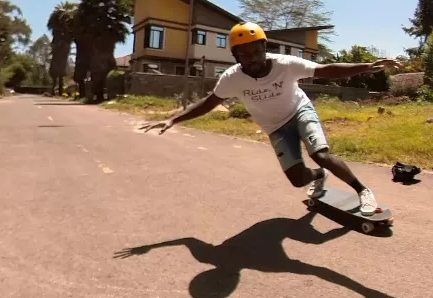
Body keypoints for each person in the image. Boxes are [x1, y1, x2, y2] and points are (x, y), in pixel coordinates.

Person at [140, 21, 402, 215]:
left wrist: (368, 66)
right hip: (275, 127)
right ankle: (319, 176)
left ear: (264, 47)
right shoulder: (232, 78)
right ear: (235, 56)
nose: (251, 59)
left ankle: (362, 190)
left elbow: (325, 71)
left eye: (255, 52)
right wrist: (173, 119)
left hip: (299, 111)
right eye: (244, 55)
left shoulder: (285, 64)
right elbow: (208, 103)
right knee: (298, 179)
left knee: (320, 153)